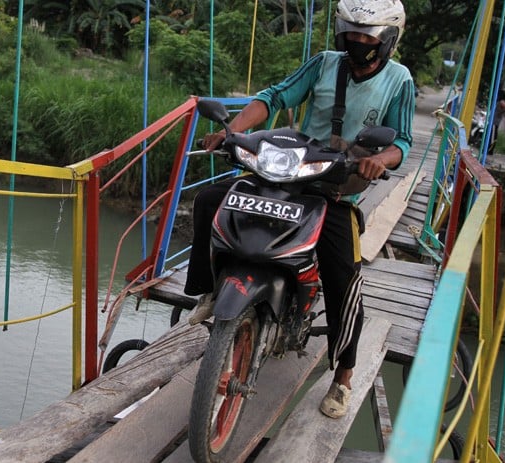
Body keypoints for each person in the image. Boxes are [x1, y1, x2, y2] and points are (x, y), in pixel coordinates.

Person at [184, 0, 415, 419]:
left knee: (343, 276)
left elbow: (403, 143)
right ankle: (208, 290)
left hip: (337, 187)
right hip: (292, 167)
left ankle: (344, 375)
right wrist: (232, 131)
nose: (357, 42)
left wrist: (380, 160)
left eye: (367, 36)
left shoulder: (399, 80)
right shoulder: (325, 63)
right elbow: (274, 98)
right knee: (209, 203)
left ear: (387, 40)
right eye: (351, 32)